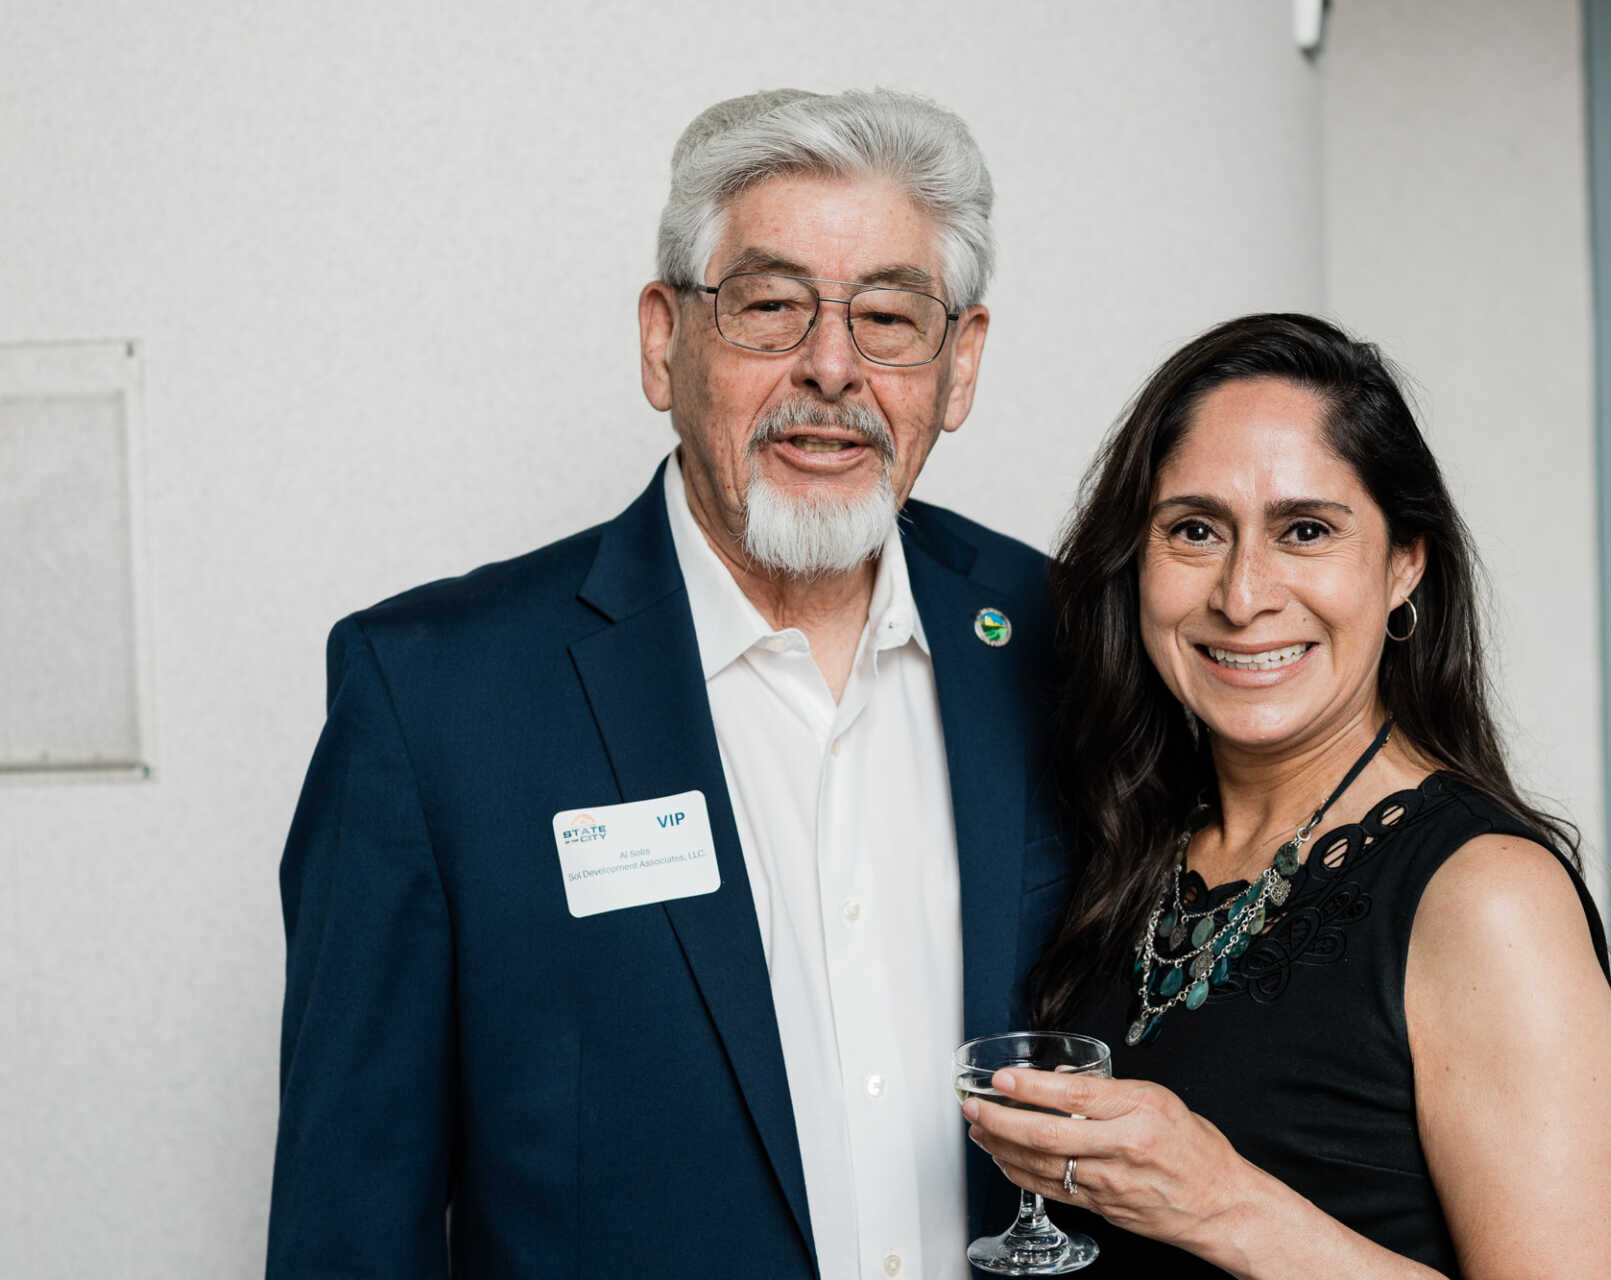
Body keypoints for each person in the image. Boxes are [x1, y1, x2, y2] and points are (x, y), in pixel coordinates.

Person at [267, 89, 1070, 1279]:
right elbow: (349, 1229)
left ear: (959, 366)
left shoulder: (1063, 637)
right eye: (770, 306)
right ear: (663, 340)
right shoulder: (435, 702)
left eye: (890, 318)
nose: (832, 367)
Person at [964, 314, 1611, 1277]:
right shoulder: (1129, 837)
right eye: (1195, 530)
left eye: (1306, 531)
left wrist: (1222, 1204)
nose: (1243, 596)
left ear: (1404, 563)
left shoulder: (1488, 897)